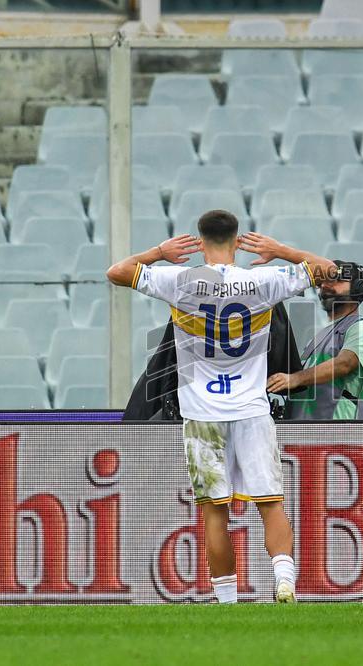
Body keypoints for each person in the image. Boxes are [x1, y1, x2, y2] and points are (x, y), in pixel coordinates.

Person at [106, 210, 336, 604]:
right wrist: (280, 249)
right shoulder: (262, 281)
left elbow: (116, 272)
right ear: (236, 241)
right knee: (270, 503)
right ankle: (284, 580)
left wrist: (159, 252)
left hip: (201, 414)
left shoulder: (180, 281)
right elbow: (329, 270)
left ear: (200, 241)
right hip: (251, 409)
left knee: (215, 512)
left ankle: (227, 601)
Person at [267, 260, 363, 420]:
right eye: (323, 281)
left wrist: (295, 379)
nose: (326, 285)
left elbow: (345, 364)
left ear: (358, 288)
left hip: (342, 432)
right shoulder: (320, 338)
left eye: (337, 280)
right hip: (305, 432)